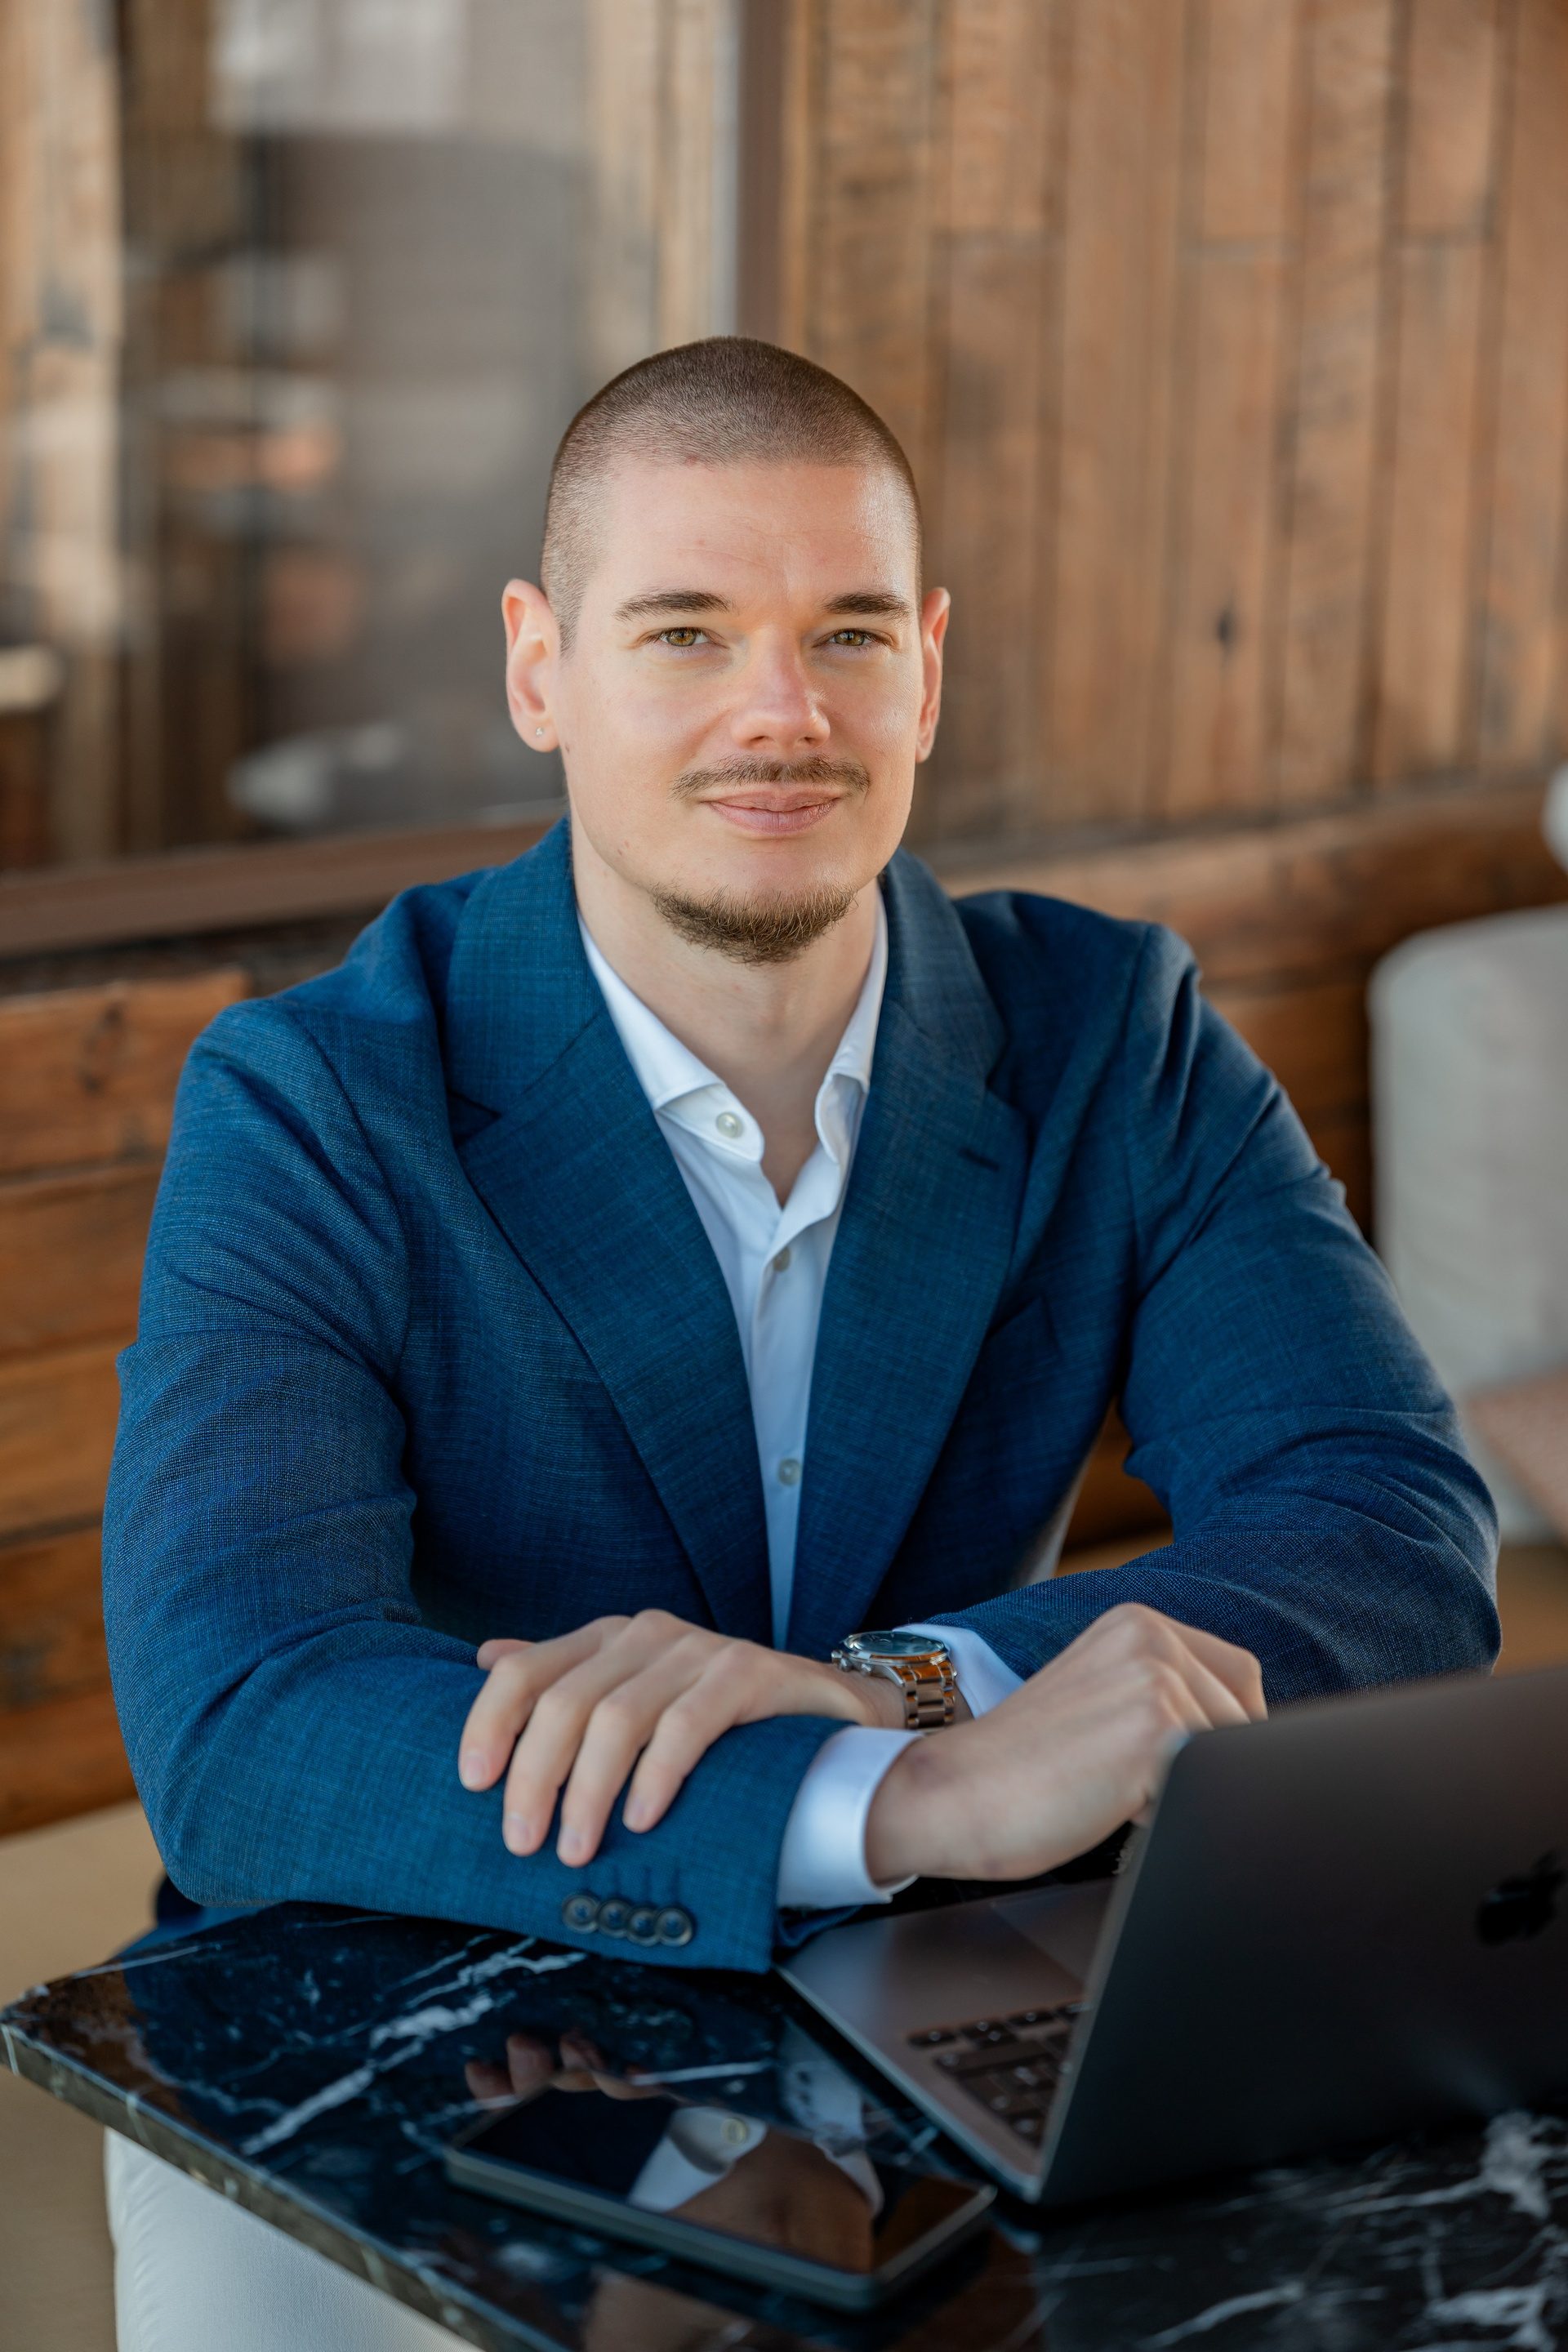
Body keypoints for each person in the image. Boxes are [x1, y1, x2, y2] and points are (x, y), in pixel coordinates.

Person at [101, 337, 1498, 2348]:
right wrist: (898, 1792)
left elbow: (1389, 1532)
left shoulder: (1114, 1035)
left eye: (847, 632)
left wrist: (903, 1685)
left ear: (926, 668)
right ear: (539, 668)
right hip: (419, 2035)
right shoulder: (316, 1098)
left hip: (950, 2020)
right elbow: (246, 1723)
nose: (783, 714)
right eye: (684, 631)